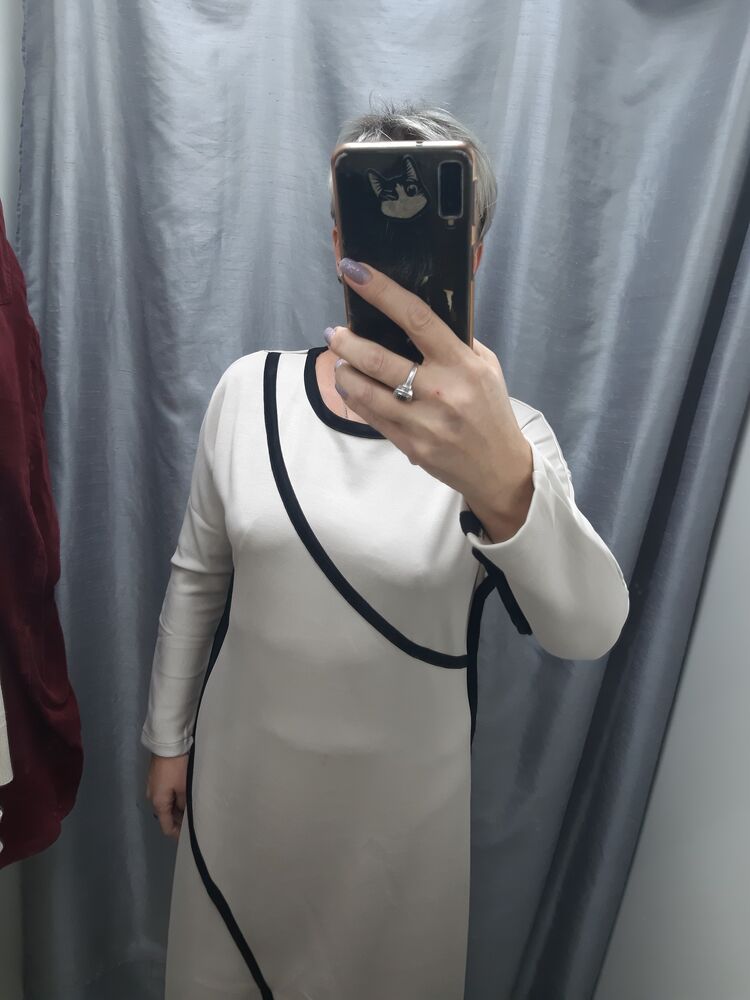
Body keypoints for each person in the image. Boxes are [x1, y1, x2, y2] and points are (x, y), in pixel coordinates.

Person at [141, 102, 630, 1000]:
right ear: (339, 241)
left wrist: (504, 482)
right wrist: (169, 739)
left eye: (437, 238)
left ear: (471, 255)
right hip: (244, 799)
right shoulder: (249, 392)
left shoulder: (509, 440)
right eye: (368, 229)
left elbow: (588, 628)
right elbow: (198, 577)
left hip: (399, 839)